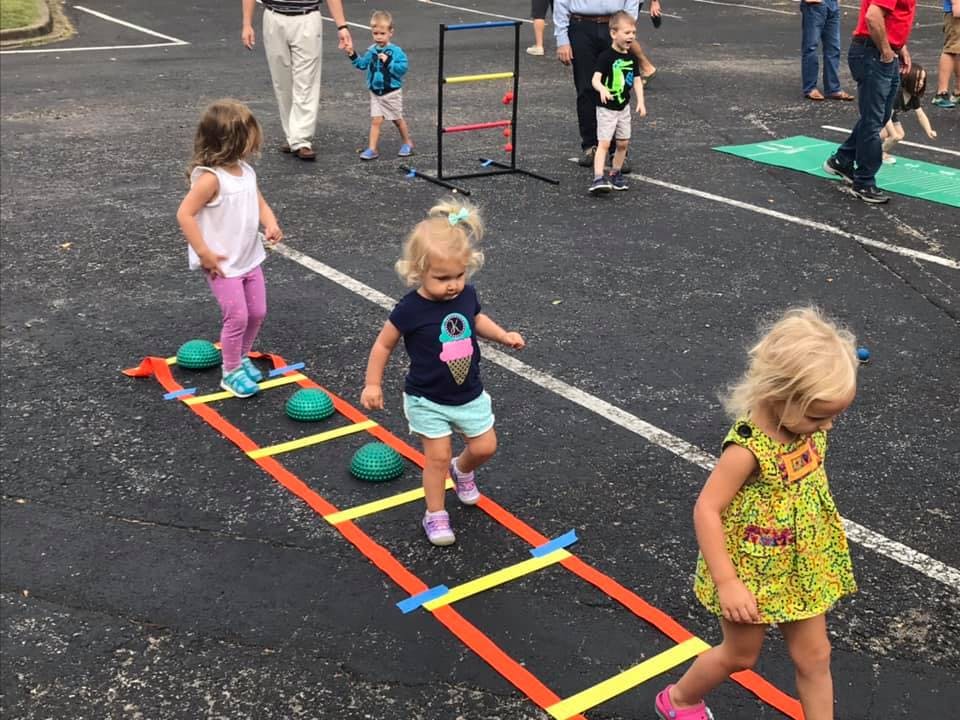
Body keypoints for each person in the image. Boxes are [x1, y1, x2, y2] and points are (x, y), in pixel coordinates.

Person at [655, 307, 859, 720]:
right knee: (740, 655)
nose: (828, 426)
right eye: (819, 415)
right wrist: (727, 583)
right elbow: (707, 509)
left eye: (834, 415)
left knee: (816, 657)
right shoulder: (747, 448)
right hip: (752, 569)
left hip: (802, 564)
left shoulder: (806, 423)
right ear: (776, 395)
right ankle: (679, 700)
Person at [360, 199, 525, 546]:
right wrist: (372, 383)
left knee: (485, 447)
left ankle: (462, 469)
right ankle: (435, 514)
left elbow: (476, 320)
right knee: (435, 458)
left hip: (469, 394)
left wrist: (502, 335)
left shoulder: (466, 296)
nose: (453, 284)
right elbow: (383, 345)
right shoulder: (409, 309)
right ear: (418, 272)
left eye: (459, 275)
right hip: (426, 398)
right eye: (442, 278)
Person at [176, 100, 283, 398]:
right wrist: (203, 252)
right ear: (231, 139)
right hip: (222, 265)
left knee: (257, 312)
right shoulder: (210, 179)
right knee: (237, 317)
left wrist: (270, 222)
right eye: (249, 133)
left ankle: (241, 357)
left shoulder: (245, 171)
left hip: (249, 257)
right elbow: (184, 214)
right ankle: (230, 372)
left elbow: (257, 200)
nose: (255, 139)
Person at [823, 0, 917, 204]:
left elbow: (889, 17)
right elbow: (873, 17)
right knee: (873, 121)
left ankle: (842, 160)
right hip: (874, 53)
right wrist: (886, 50)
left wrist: (899, 46)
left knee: (879, 116)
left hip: (880, 51)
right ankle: (864, 182)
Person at [241, 0, 354, 161]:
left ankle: (301, 139)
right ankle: (292, 135)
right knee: (282, 81)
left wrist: (342, 26)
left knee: (306, 80)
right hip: (274, 17)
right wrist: (247, 23)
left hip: (307, 17)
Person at [554, 0, 660, 169]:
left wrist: (627, 26)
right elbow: (560, 2)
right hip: (581, 26)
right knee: (586, 88)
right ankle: (590, 146)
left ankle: (617, 152)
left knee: (616, 88)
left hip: (613, 26)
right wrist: (562, 39)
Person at [588, 11, 646, 194]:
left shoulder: (632, 58)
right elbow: (595, 79)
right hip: (607, 109)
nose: (631, 36)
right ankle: (598, 178)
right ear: (614, 34)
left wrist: (641, 102)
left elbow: (637, 80)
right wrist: (602, 89)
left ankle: (615, 173)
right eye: (627, 33)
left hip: (623, 108)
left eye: (633, 33)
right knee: (604, 143)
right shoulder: (606, 57)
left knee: (623, 143)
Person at [345, 11, 414, 160]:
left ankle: (408, 143)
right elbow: (362, 64)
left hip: (391, 92)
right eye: (375, 33)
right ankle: (372, 148)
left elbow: (402, 70)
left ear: (390, 33)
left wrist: (388, 62)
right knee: (376, 120)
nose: (378, 37)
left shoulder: (396, 52)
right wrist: (352, 54)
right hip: (375, 93)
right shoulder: (371, 51)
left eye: (382, 33)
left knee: (397, 119)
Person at [880, 64, 937, 163]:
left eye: (923, 80)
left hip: (890, 115)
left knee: (900, 135)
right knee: (884, 134)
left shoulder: (913, 96)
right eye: (918, 80)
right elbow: (886, 117)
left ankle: (880, 152)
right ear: (908, 78)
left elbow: (920, 114)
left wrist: (929, 130)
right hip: (880, 113)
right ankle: (867, 150)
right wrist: (893, 134)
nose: (921, 83)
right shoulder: (897, 94)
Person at [800, 0, 854, 101]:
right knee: (811, 48)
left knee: (833, 48)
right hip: (814, 5)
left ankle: (833, 88)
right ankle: (810, 88)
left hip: (832, 5)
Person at [931, 0, 960, 107]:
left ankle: (958, 92)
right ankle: (941, 94)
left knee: (956, 51)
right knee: (951, 51)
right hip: (955, 17)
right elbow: (957, 10)